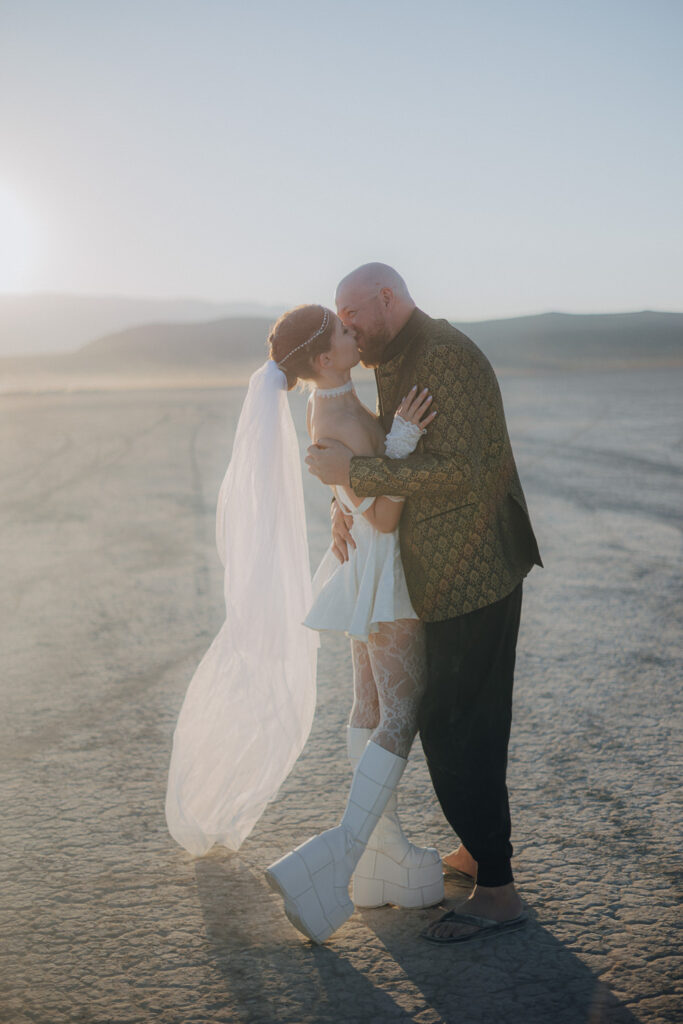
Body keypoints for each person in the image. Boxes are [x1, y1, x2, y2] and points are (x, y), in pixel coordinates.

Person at [305, 264, 543, 944]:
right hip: (434, 569)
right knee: (465, 715)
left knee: (454, 720)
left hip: (474, 567)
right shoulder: (394, 353)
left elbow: (461, 469)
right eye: (338, 321)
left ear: (388, 299)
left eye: (353, 314)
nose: (346, 327)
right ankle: (475, 852)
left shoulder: (444, 355)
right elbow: (382, 440)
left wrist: (357, 475)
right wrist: (341, 500)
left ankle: (497, 892)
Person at [264, 304, 446, 944]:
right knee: (402, 711)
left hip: (360, 563)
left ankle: (378, 862)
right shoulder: (340, 411)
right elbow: (388, 516)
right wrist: (400, 440)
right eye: (343, 332)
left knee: (368, 703)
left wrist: (341, 504)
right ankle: (344, 853)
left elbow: (336, 472)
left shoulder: (322, 403)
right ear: (322, 357)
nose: (354, 333)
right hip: (384, 568)